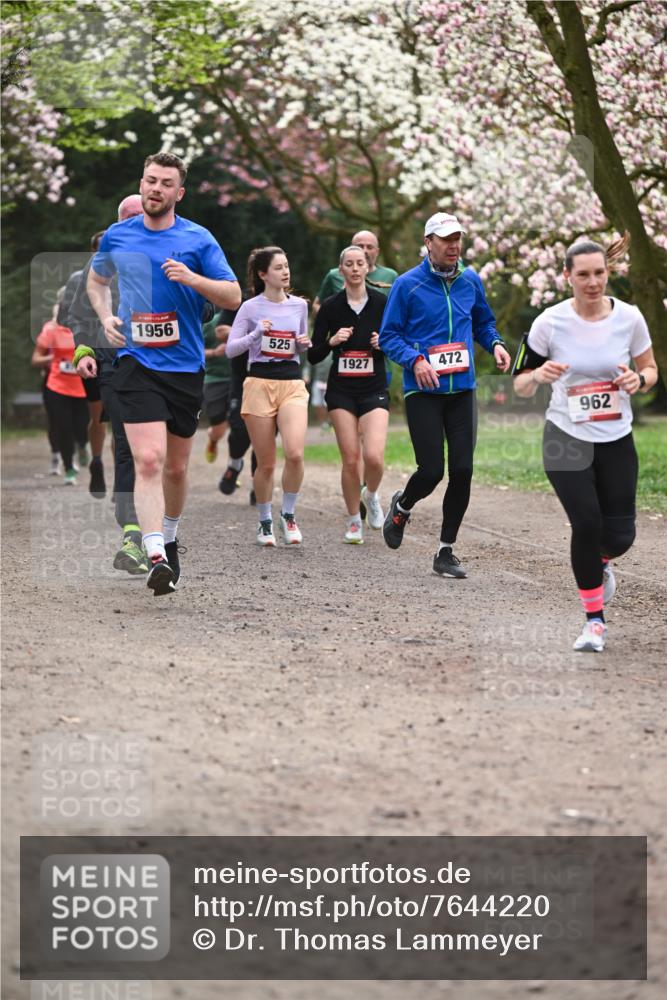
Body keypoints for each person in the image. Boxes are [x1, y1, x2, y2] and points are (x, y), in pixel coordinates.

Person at [87, 152, 241, 595]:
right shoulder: (119, 235)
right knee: (148, 460)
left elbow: (231, 295)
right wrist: (104, 317)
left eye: (164, 183)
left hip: (185, 367)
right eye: (149, 180)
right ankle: (155, 553)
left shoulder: (198, 238)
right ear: (142, 183)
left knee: (175, 467)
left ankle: (169, 538)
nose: (155, 189)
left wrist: (193, 279)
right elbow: (96, 283)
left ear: (179, 193)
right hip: (136, 362)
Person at [513, 236, 657, 652]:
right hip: (565, 438)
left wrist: (638, 380)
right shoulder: (549, 323)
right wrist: (538, 376)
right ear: (567, 277)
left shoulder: (629, 318)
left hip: (616, 438)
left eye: (599, 273)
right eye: (583, 275)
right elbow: (520, 383)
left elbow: (650, 369)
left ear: (607, 273)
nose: (593, 282)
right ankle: (594, 621)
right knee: (587, 524)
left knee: (620, 537)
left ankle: (598, 564)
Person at [379, 212, 511, 577]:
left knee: (464, 470)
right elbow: (389, 335)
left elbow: (484, 321)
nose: (453, 245)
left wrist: (495, 344)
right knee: (432, 470)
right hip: (423, 391)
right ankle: (403, 506)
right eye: (445, 239)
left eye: (457, 239)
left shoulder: (470, 280)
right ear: (429, 243)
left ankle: (445, 551)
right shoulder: (407, 286)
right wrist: (416, 359)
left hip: (462, 390)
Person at [72, 195, 150, 575]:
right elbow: (78, 314)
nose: (139, 223)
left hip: (166, 368)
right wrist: (83, 350)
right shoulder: (100, 263)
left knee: (162, 457)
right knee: (126, 447)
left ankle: (161, 532)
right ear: (119, 223)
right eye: (130, 218)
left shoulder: (174, 251)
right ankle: (133, 535)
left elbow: (204, 307)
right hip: (113, 366)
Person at [226, 246, 310, 547]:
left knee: (296, 453)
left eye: (287, 266)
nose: (285, 272)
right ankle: (264, 521)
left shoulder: (300, 306)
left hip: (291, 383)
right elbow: (231, 349)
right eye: (278, 267)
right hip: (259, 382)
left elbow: (298, 347)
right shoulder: (249, 308)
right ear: (263, 274)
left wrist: (303, 344)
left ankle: (288, 515)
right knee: (267, 463)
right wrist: (255, 336)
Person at [308, 245, 389, 543]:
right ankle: (354, 520)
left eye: (361, 263)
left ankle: (372, 494)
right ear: (341, 270)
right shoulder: (330, 307)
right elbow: (313, 356)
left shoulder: (382, 303)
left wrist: (384, 343)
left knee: (374, 457)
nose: (355, 269)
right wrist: (331, 341)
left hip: (373, 387)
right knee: (351, 459)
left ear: (368, 268)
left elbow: (398, 342)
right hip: (341, 390)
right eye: (349, 264)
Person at [59, 231, 108, 498]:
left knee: (118, 418)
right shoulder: (79, 279)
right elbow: (66, 318)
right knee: (99, 415)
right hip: (93, 352)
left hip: (122, 352)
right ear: (91, 252)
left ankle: (122, 471)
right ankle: (97, 461)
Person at [32, 293, 89, 485]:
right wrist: (53, 359)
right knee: (64, 428)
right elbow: (35, 359)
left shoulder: (86, 330)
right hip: (57, 386)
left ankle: (82, 445)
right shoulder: (51, 331)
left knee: (82, 426)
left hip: (82, 387)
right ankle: (69, 469)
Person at [311, 230, 398, 317]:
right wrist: (332, 322)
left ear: (377, 252)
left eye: (369, 247)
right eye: (360, 246)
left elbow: (398, 309)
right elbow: (317, 305)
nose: (364, 251)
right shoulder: (334, 275)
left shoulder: (391, 276)